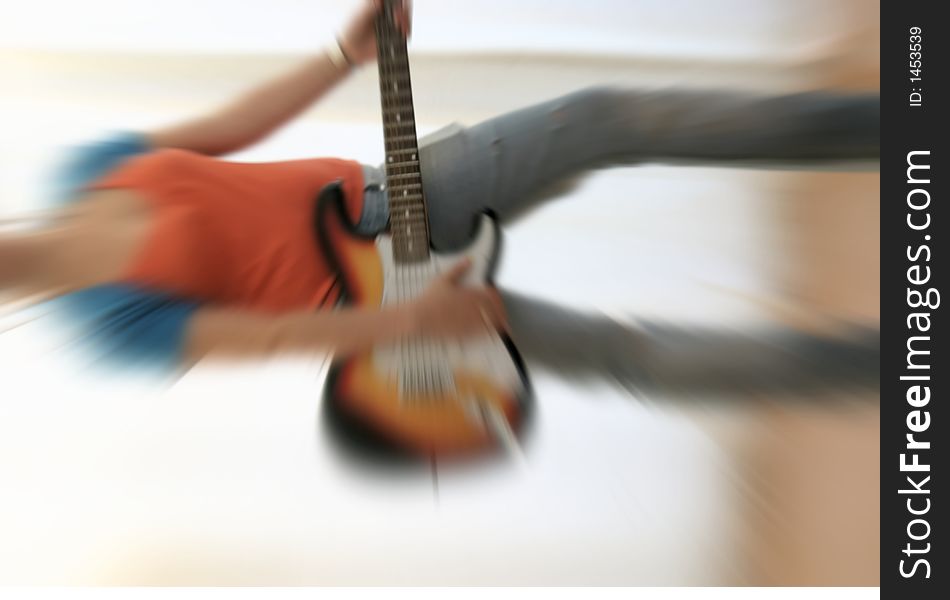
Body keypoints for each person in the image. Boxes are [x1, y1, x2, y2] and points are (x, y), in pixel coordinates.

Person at [1, 0, 879, 392]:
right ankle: (885, 368)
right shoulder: (104, 330)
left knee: (602, 117)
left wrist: (343, 56)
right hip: (391, 305)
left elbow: (228, 132)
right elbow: (265, 337)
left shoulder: (85, 173)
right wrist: (409, 326)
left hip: (396, 192)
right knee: (625, 354)